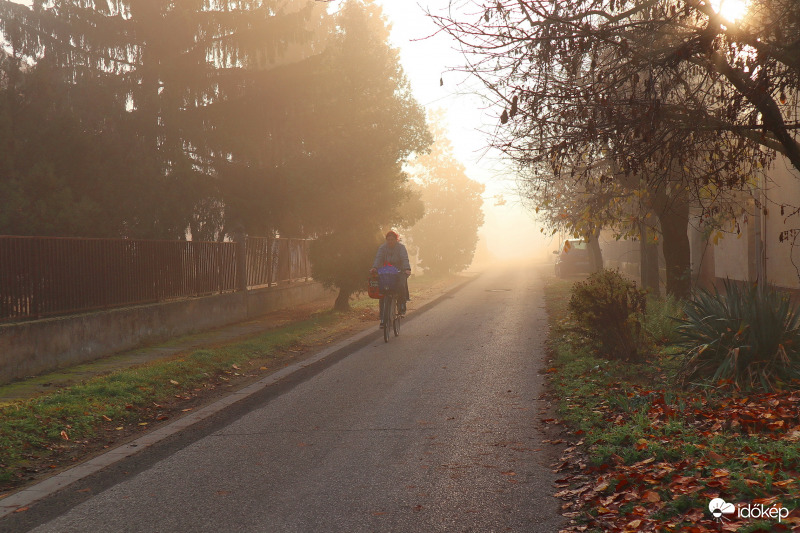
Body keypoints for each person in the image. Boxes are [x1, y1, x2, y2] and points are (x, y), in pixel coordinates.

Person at [370, 230, 411, 327]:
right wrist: (375, 267)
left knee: (401, 285)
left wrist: (407, 269)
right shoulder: (382, 248)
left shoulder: (401, 247)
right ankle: (383, 318)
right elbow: (378, 258)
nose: (390, 241)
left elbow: (404, 258)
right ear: (386, 240)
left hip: (399, 271)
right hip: (386, 271)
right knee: (382, 292)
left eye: (392, 240)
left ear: (396, 239)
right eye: (388, 240)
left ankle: (401, 305)